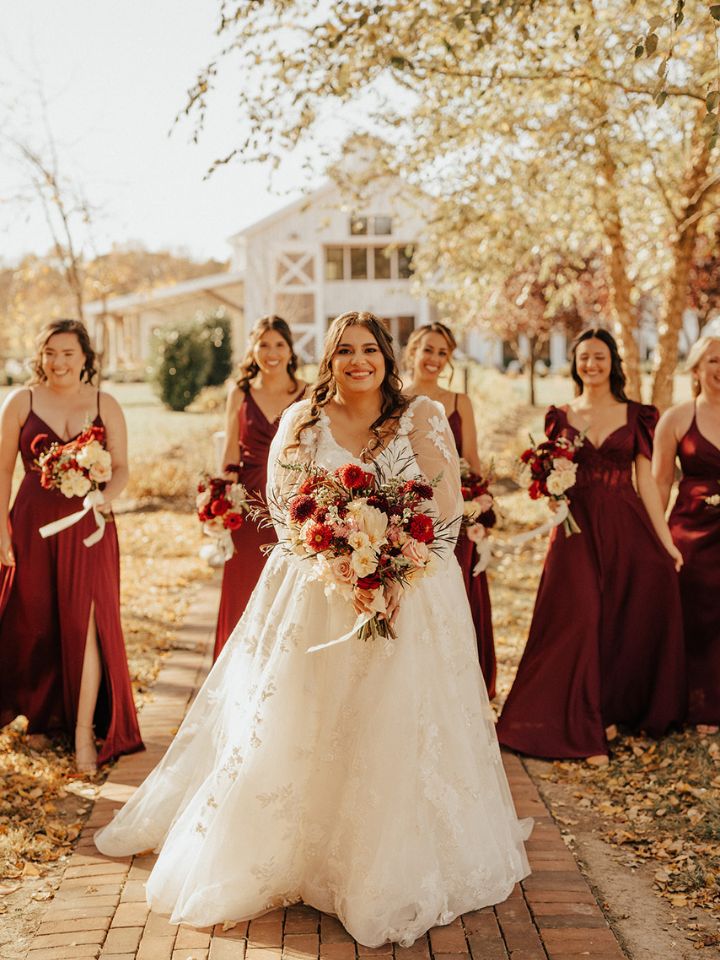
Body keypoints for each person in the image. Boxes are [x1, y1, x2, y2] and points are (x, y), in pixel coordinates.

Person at [95, 311, 530, 946]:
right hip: (322, 592)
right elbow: (283, 507)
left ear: (387, 356)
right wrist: (339, 564)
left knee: (394, 718)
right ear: (330, 359)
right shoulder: (304, 419)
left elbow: (446, 509)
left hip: (409, 593)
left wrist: (395, 571)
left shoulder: (422, 418)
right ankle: (296, 849)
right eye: (345, 351)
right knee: (309, 717)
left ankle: (381, 856)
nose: (360, 361)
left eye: (370, 350)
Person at [496, 327, 686, 764]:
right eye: (584, 357)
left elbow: (648, 483)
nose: (591, 364)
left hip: (626, 525)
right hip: (575, 532)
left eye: (599, 357)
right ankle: (579, 732)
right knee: (578, 618)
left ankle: (610, 710)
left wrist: (667, 543)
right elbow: (551, 479)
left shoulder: (637, 414)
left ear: (613, 362)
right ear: (575, 363)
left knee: (621, 617)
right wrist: (552, 494)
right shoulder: (560, 415)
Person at [0, 319, 143, 773]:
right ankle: (42, 718)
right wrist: (0, 529)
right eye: (50, 353)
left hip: (89, 527)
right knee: (33, 622)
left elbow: (120, 468)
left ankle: (84, 732)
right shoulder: (20, 401)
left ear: (85, 356)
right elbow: (3, 471)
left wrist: (104, 496)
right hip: (30, 527)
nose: (58, 362)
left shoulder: (105, 403)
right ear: (40, 356)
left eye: (68, 353)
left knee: (88, 626)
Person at [404, 322, 496, 697]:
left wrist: (484, 500)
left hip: (455, 515)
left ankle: (460, 689)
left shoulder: (460, 402)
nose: (435, 359)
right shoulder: (394, 398)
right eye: (428, 350)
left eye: (443, 353)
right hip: (408, 515)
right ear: (412, 351)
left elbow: (470, 459)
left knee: (456, 598)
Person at [213, 316, 306, 660]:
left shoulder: (309, 393)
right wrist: (218, 503)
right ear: (252, 349)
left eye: (279, 344)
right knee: (243, 586)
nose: (271, 352)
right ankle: (238, 665)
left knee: (289, 586)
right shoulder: (239, 394)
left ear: (290, 349)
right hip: (247, 506)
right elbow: (229, 455)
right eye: (264, 344)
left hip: (293, 503)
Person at [653, 326, 720, 735]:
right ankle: (699, 706)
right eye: (713, 360)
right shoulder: (678, 417)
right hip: (690, 534)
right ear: (696, 368)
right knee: (695, 615)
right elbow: (660, 482)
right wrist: (656, 540)